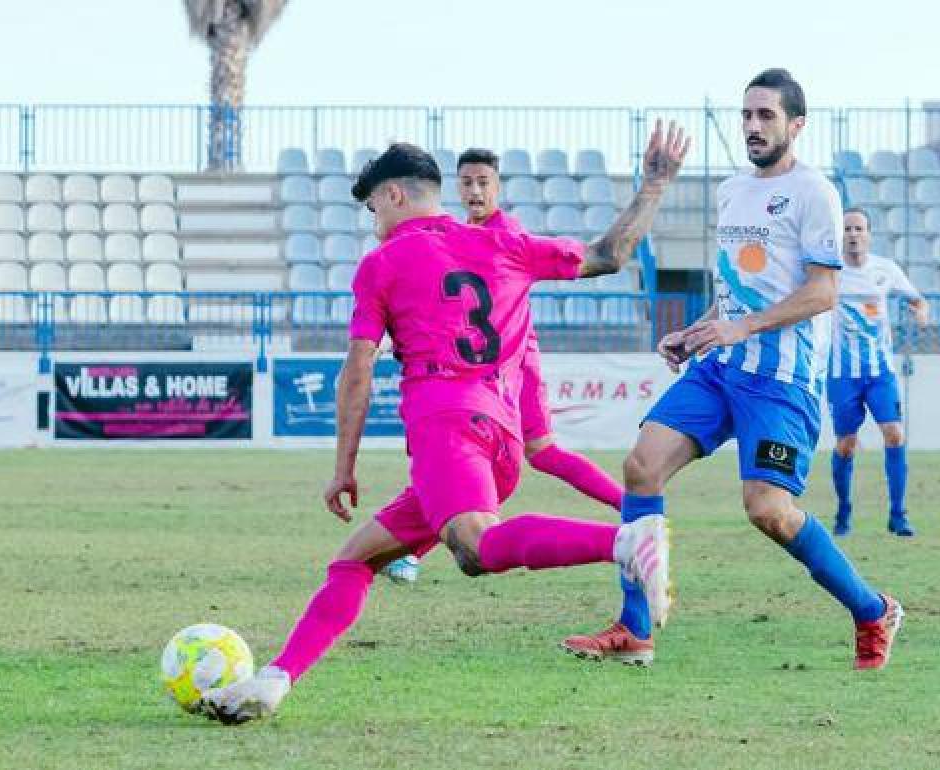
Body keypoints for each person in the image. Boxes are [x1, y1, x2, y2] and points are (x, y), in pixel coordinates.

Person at [200, 123, 690, 724]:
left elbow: (357, 370)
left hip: (446, 425)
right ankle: (274, 681)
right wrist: (653, 187)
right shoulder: (504, 243)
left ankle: (624, 541)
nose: (373, 221)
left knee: (475, 545)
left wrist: (343, 468)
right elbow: (609, 256)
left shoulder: (382, 263)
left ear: (394, 195)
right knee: (355, 560)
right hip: (501, 437)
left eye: (373, 207)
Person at [561, 69, 903, 670]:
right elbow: (736, 291)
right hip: (722, 367)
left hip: (783, 379)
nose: (752, 126)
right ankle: (635, 629)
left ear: (796, 125)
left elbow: (823, 292)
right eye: (746, 115)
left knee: (768, 511)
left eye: (766, 115)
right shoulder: (732, 190)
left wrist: (741, 329)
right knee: (642, 467)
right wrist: (698, 332)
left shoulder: (814, 192)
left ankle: (872, 609)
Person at [381, 147, 626, 586]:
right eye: (467, 183)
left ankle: (632, 510)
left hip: (510, 366)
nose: (475, 191)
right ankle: (411, 551)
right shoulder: (458, 233)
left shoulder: (504, 233)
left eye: (483, 183)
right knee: (462, 458)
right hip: (485, 370)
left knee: (534, 452)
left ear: (497, 187)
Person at [828, 208, 928, 537]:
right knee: (846, 444)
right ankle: (844, 511)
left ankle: (898, 515)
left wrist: (920, 312)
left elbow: (917, 300)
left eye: (858, 228)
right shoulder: (830, 271)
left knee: (895, 434)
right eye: (847, 229)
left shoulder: (885, 269)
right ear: (840, 235)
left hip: (880, 372)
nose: (853, 234)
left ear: (869, 234)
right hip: (842, 374)